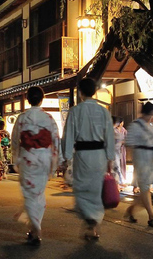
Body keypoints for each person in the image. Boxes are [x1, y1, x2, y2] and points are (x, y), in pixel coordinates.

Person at [62, 78, 115, 240]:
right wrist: (110, 158)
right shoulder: (104, 112)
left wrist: (66, 157)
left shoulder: (75, 111)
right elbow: (110, 137)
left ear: (80, 92)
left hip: (82, 156)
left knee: (82, 189)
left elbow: (68, 136)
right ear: (94, 91)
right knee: (96, 190)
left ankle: (90, 222)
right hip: (99, 156)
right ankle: (94, 224)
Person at [12, 86, 60, 246]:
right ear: (42, 99)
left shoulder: (22, 118)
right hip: (45, 158)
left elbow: (15, 141)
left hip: (28, 158)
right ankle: (33, 229)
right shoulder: (49, 118)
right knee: (39, 194)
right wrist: (54, 164)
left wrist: (16, 159)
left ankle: (36, 228)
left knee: (29, 193)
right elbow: (56, 140)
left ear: (27, 99)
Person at [124, 102, 153, 228]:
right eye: (152, 114)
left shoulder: (150, 126)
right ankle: (152, 216)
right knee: (145, 188)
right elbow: (129, 142)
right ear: (147, 113)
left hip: (150, 158)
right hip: (141, 157)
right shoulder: (135, 125)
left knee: (146, 188)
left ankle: (132, 210)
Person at [112, 116, 127, 189]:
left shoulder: (122, 130)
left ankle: (119, 182)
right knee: (116, 167)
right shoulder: (113, 130)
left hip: (118, 150)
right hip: (113, 150)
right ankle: (118, 182)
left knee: (118, 166)